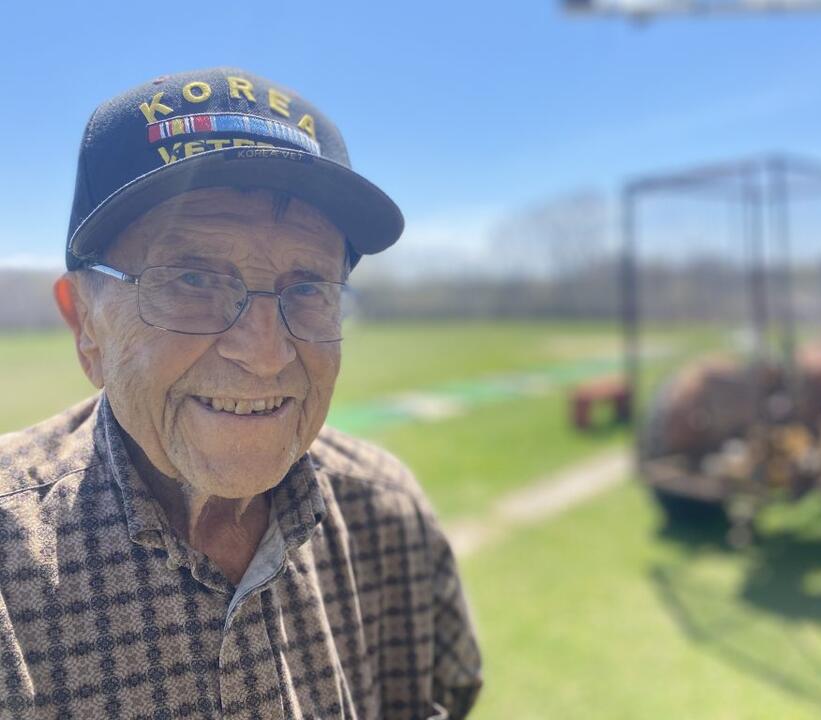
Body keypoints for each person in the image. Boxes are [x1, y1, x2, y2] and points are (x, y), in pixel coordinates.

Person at [0, 68, 482, 720]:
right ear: (85, 322)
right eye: (192, 277)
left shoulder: (386, 515)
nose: (265, 353)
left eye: (308, 286)